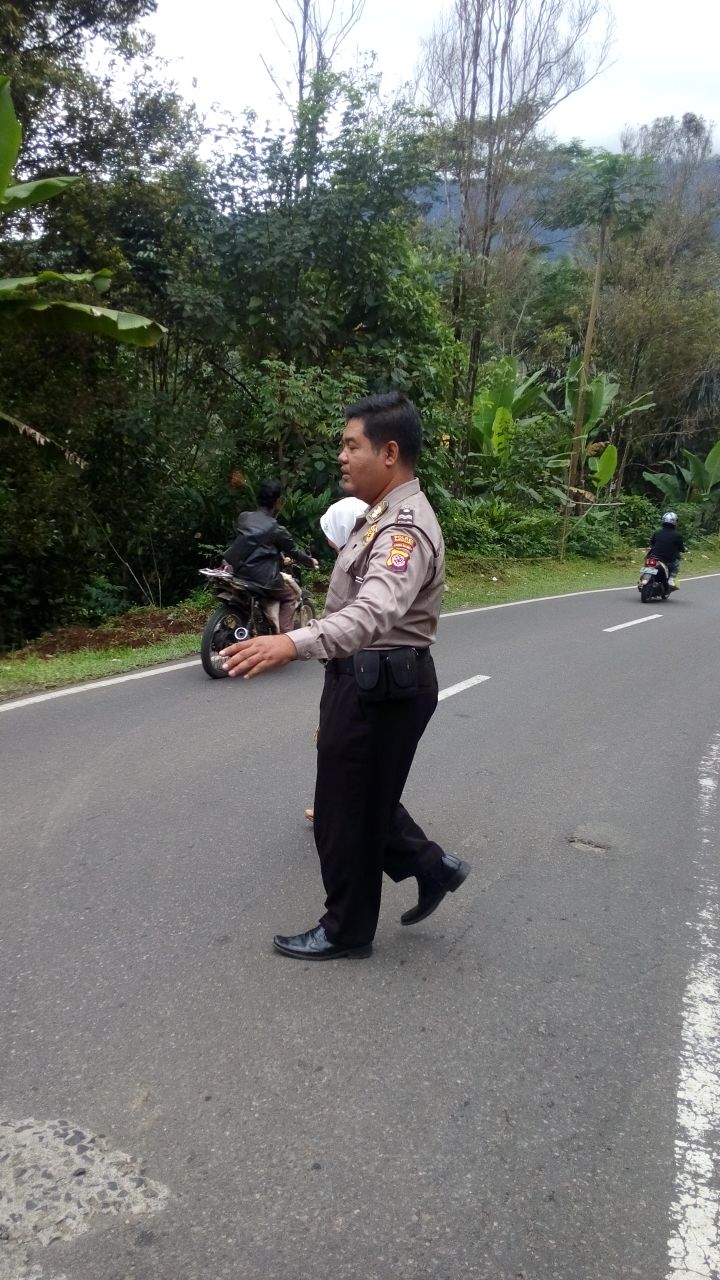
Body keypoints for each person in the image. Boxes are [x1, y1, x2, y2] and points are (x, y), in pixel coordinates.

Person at [221, 392, 470, 961]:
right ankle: (434, 868)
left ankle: (347, 930)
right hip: (367, 680)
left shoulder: (403, 530)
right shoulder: (376, 515)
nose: (341, 455)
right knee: (361, 800)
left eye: (351, 445)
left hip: (381, 687)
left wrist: (291, 641)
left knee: (342, 813)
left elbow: (373, 612)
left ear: (389, 453)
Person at [304, 494, 368, 822]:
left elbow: (349, 619)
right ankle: (332, 807)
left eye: (331, 533)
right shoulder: (353, 559)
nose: (329, 541)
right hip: (344, 664)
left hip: (353, 666)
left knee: (336, 744)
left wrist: (300, 643)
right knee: (336, 743)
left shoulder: (358, 565)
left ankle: (339, 812)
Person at [222, 478, 318, 632]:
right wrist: (310, 561)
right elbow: (293, 551)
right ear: (278, 501)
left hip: (238, 573)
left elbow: (250, 540)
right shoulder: (277, 530)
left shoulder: (244, 518)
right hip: (263, 581)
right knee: (291, 596)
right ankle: (284, 638)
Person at [648, 511, 686, 588]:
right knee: (676, 565)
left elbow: (652, 543)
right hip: (668, 560)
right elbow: (681, 548)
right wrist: (683, 549)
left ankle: (644, 579)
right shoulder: (677, 535)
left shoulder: (657, 532)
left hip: (654, 558)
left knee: (648, 563)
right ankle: (671, 579)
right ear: (675, 521)